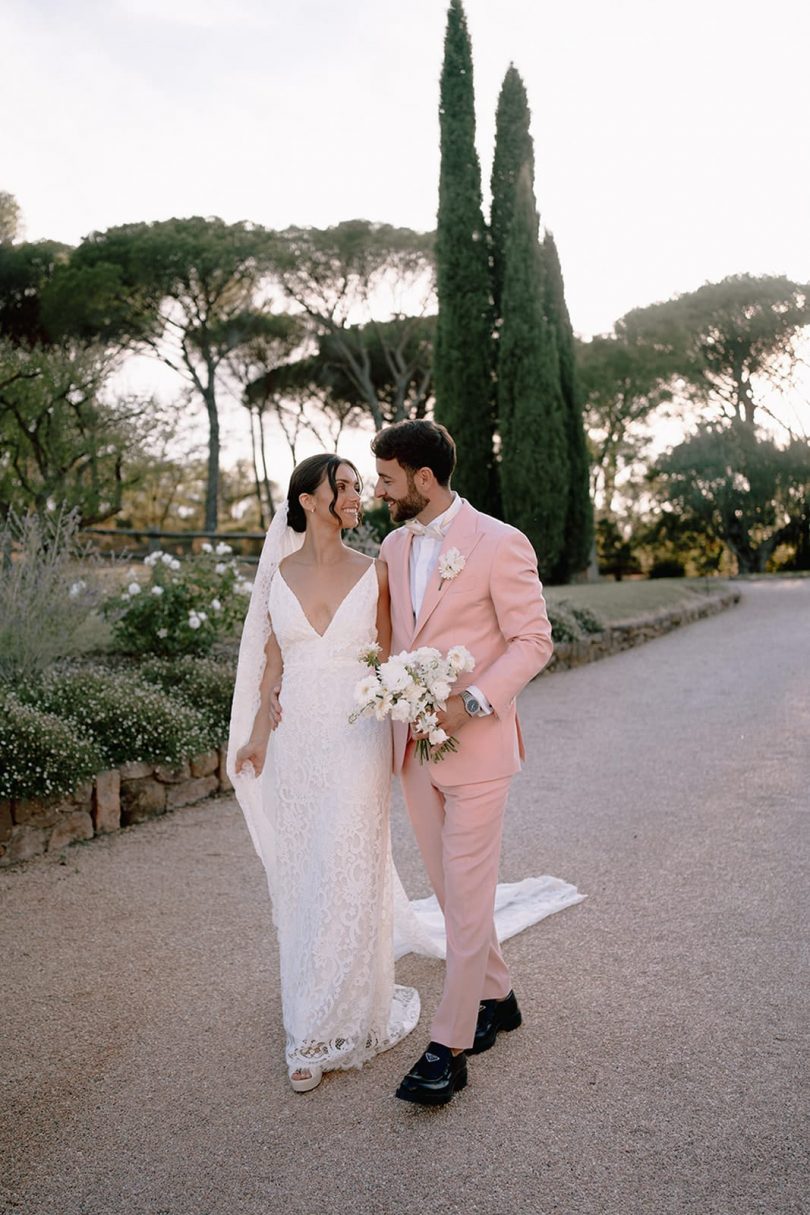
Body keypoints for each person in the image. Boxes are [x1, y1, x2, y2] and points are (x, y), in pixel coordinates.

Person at [372, 418, 555, 1106]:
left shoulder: (500, 542)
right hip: (414, 749)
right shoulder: (393, 545)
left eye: (389, 479)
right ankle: (497, 995)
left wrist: (470, 701)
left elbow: (533, 641)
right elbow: (388, 637)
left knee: (469, 891)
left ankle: (447, 1048)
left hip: (477, 747)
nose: (382, 492)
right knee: (451, 891)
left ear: (423, 478)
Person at [227, 453, 420, 1092]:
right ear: (308, 500)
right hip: (297, 741)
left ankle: (317, 1028)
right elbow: (271, 663)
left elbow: (390, 656)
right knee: (307, 867)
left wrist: (405, 723)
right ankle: (316, 993)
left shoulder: (376, 571)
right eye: (341, 487)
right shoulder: (278, 574)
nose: (354, 495)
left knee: (349, 861)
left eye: (358, 487)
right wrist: (257, 737)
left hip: (356, 733)